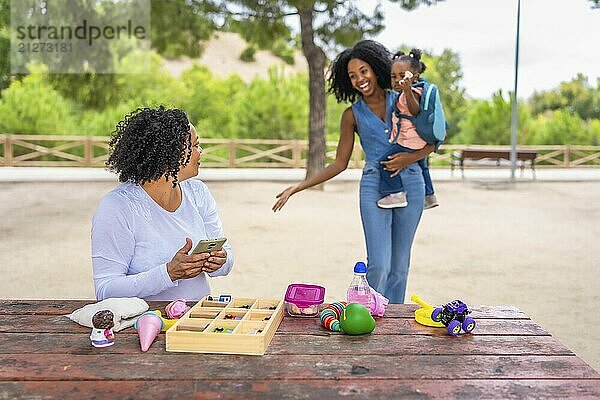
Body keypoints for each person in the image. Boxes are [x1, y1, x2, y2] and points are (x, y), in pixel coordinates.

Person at [272, 40, 434, 303]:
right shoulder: (351, 115)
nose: (359, 79)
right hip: (373, 186)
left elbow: (433, 140)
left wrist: (408, 158)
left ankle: (392, 325)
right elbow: (339, 163)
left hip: (410, 181)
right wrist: (298, 187)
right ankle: (369, 314)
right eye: (352, 75)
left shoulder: (404, 100)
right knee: (379, 264)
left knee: (399, 267)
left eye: (364, 71)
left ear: (377, 68)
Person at [92, 106, 234, 301]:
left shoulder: (198, 192)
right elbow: (106, 290)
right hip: (145, 325)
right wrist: (168, 273)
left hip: (199, 319)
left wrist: (220, 261)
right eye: (194, 145)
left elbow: (226, 258)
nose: (200, 152)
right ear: (172, 153)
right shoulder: (117, 207)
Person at [377, 49, 438, 210]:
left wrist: (407, 91)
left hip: (409, 141)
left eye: (402, 76)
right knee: (423, 166)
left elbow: (415, 110)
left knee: (384, 161)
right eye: (393, 76)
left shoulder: (411, 92)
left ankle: (396, 193)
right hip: (419, 141)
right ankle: (429, 196)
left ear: (414, 77)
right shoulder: (413, 91)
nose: (397, 80)